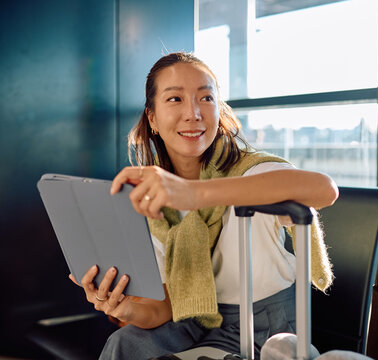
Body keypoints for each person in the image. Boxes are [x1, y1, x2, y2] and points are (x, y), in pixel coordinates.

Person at [69, 52, 338, 360]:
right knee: (124, 343)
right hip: (194, 321)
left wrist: (194, 193)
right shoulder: (158, 200)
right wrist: (124, 307)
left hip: (265, 330)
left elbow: (324, 190)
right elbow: (166, 307)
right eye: (175, 100)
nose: (193, 113)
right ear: (152, 118)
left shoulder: (250, 173)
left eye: (206, 98)